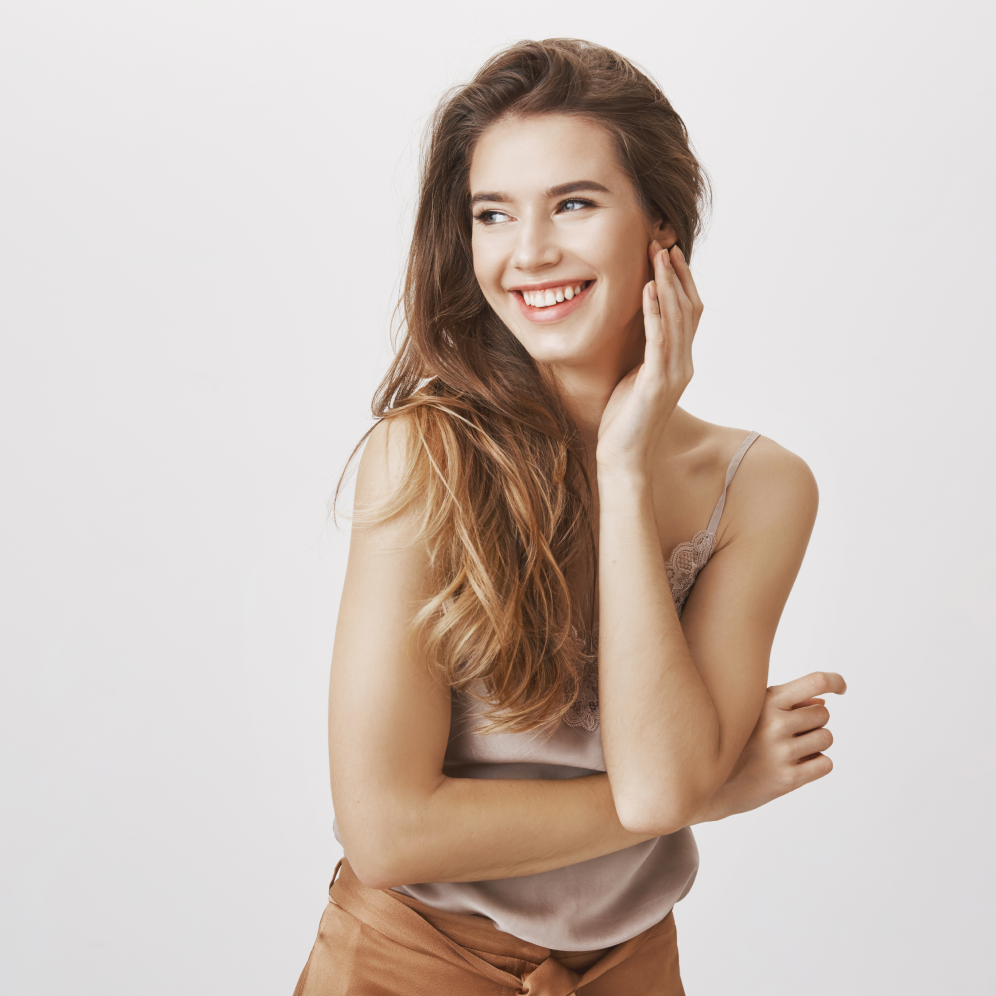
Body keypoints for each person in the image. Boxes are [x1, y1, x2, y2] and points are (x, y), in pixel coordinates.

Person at [294, 38, 846, 995]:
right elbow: (385, 832)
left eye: (574, 203)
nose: (529, 252)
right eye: (493, 214)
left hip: (632, 969)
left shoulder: (761, 487)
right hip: (406, 965)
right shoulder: (427, 454)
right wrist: (709, 794)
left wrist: (622, 468)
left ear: (662, 224)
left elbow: (663, 781)